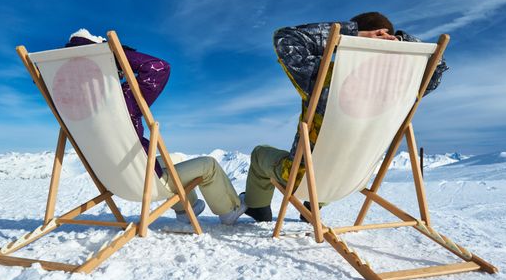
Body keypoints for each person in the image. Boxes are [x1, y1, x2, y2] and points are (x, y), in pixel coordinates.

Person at [242, 12, 449, 222]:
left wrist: (351, 33)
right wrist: (403, 42)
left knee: (260, 154)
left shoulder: (328, 78)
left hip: (303, 179)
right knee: (340, 155)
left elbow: (286, 38)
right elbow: (437, 64)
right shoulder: (407, 87)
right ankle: (314, 207)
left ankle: (258, 208)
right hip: (351, 180)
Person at [66, 29, 246, 225]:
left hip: (114, 181)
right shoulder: (119, 99)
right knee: (208, 165)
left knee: (172, 158)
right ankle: (230, 210)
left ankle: (188, 209)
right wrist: (116, 55)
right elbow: (159, 68)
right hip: (144, 183)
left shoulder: (72, 107)